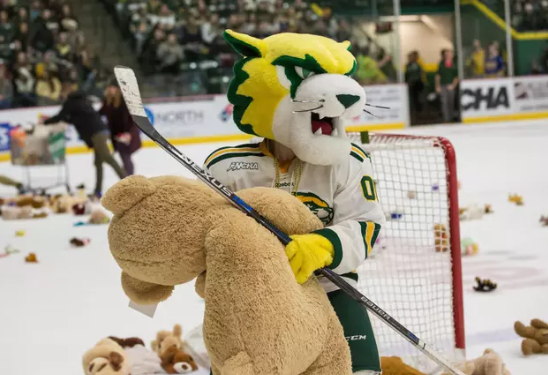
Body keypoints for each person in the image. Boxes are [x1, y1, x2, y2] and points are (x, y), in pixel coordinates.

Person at [204, 30, 386, 375]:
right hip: (251, 301)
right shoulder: (225, 166)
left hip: (333, 288)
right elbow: (203, 236)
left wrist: (324, 245)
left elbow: (366, 224)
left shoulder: (348, 161)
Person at [43, 84, 126, 197]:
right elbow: (77, 118)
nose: (61, 96)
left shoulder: (70, 103)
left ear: (66, 93)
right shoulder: (82, 101)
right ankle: (97, 191)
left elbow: (60, 117)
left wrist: (45, 122)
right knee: (98, 163)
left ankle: (127, 182)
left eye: (62, 93)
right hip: (101, 130)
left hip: (96, 133)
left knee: (107, 157)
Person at [99, 80, 141, 176]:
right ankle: (128, 177)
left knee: (126, 156)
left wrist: (129, 134)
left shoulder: (124, 100)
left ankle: (129, 177)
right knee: (124, 156)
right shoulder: (107, 101)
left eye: (112, 88)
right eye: (108, 88)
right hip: (116, 135)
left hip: (127, 133)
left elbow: (132, 119)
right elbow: (100, 113)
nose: (110, 90)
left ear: (117, 89)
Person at [436, 49, 459, 123]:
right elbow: (438, 76)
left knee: (451, 102)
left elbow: (456, 76)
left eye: (449, 54)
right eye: (446, 54)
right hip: (443, 85)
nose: (448, 55)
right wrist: (438, 86)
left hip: (451, 86)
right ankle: (446, 119)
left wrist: (453, 85)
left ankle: (451, 117)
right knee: (444, 102)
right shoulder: (441, 64)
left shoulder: (454, 64)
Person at [405, 51, 424, 123]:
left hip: (418, 85)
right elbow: (407, 75)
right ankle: (414, 116)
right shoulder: (408, 65)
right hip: (411, 85)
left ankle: (419, 115)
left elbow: (421, 73)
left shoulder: (418, 64)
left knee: (419, 100)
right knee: (412, 101)